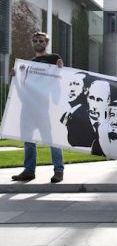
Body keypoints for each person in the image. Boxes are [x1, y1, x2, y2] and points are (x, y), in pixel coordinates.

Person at [11, 31, 65, 183]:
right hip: (28, 106)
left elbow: (61, 79)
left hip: (45, 106)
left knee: (51, 139)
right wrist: (15, 76)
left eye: (41, 40)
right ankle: (29, 171)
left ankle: (58, 170)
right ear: (33, 43)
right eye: (35, 41)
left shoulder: (54, 58)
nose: (38, 43)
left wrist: (61, 68)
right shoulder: (27, 64)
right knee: (28, 140)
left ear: (46, 43)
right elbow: (25, 85)